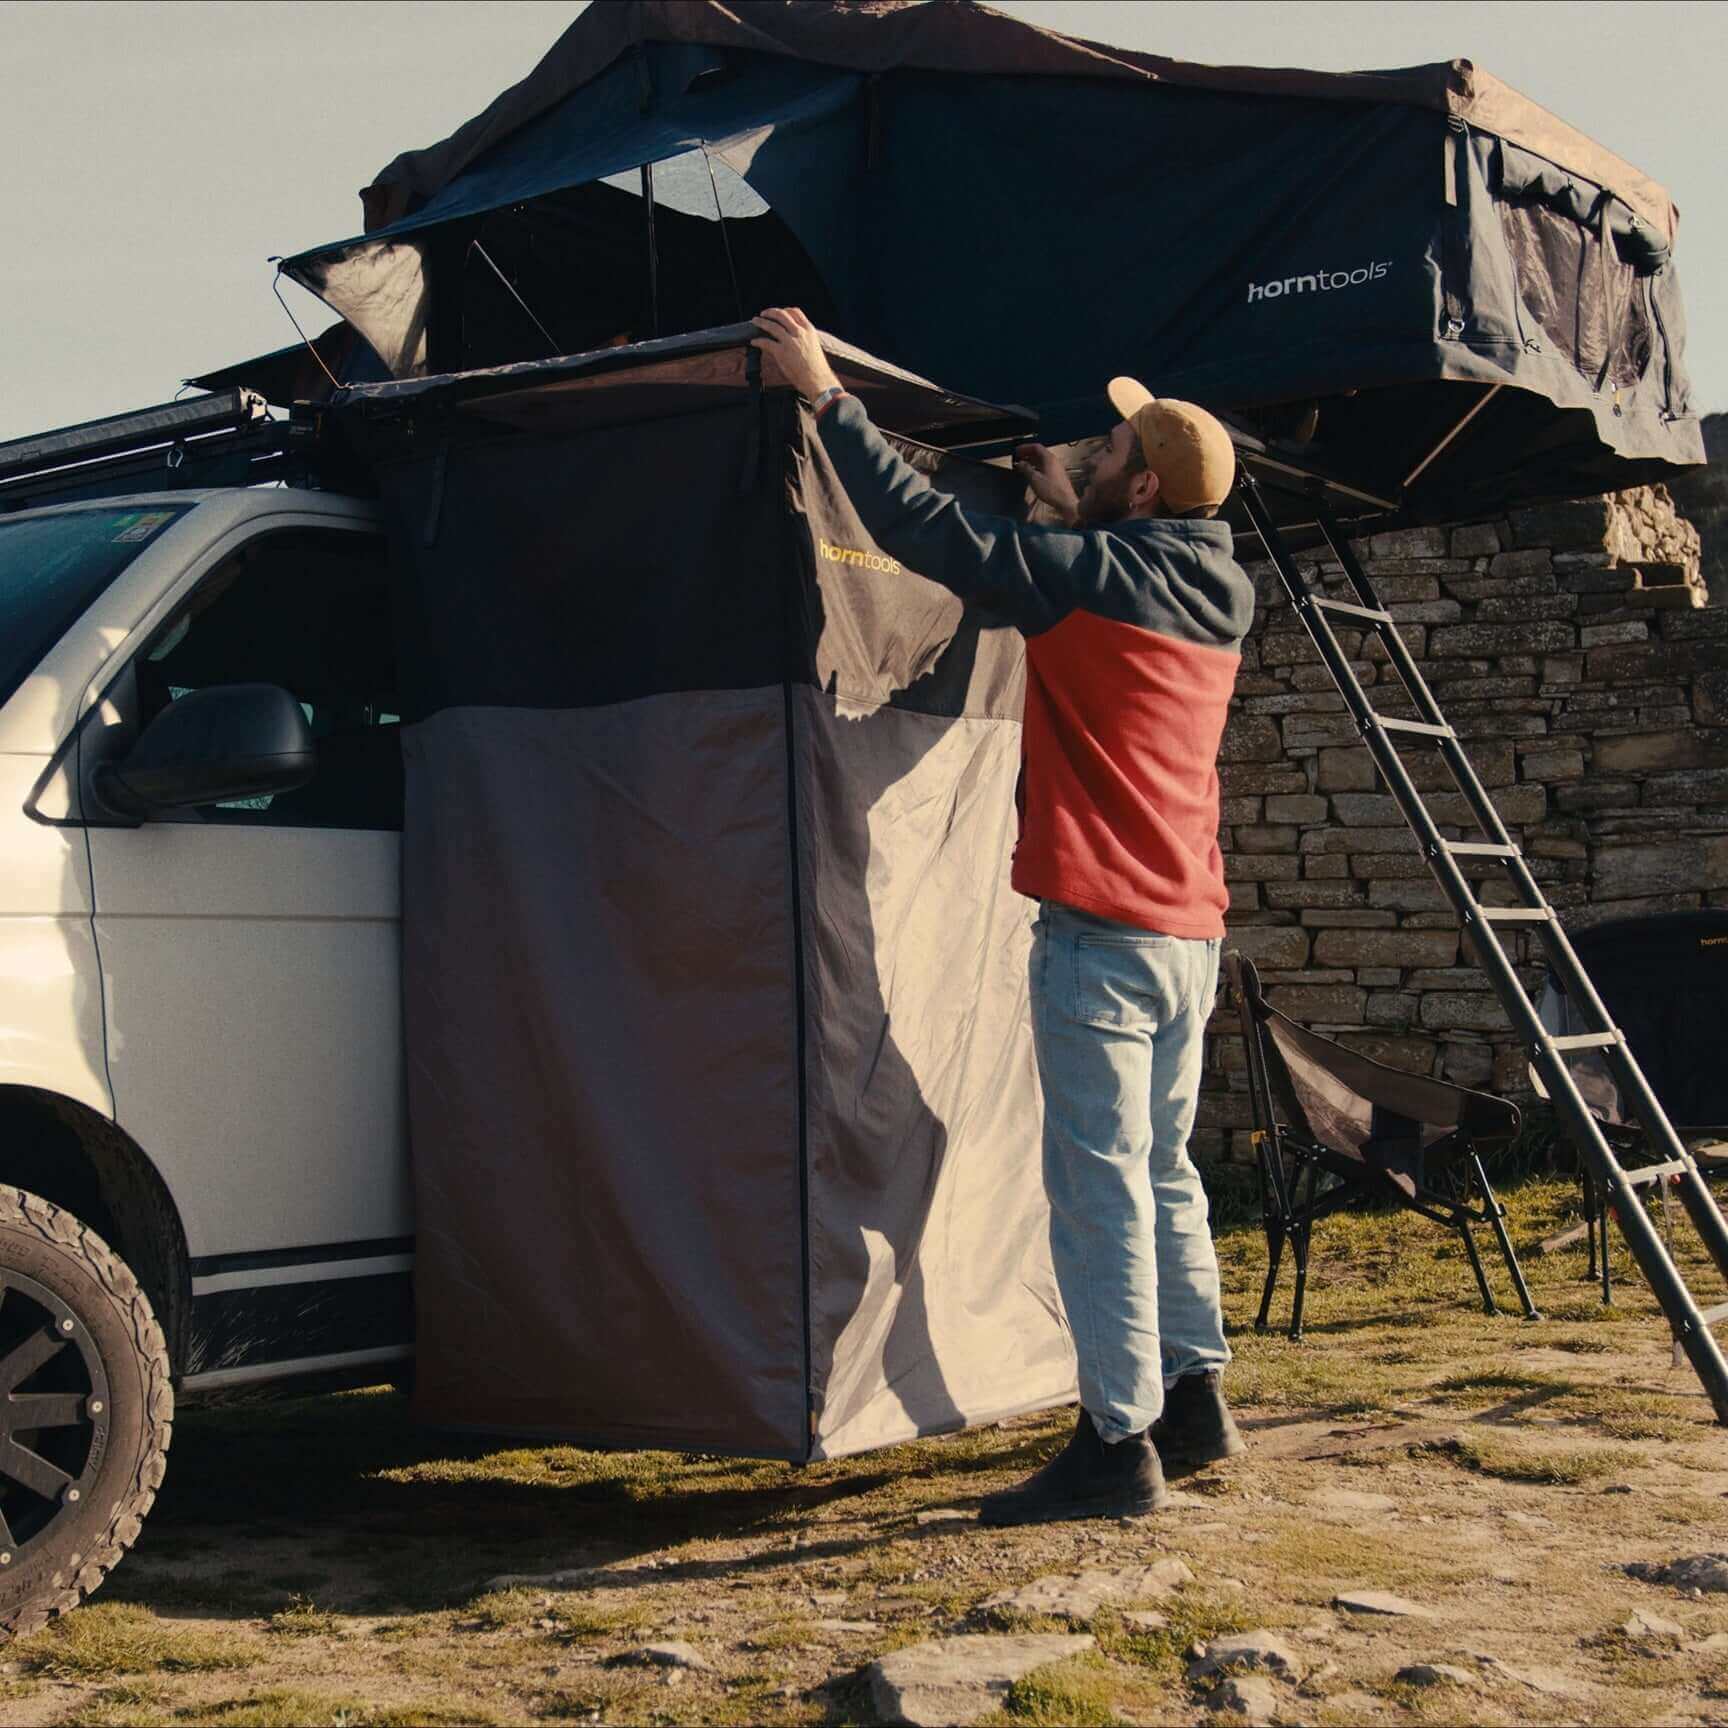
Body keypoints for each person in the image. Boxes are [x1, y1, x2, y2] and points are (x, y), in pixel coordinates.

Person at [753, 306, 1254, 1525]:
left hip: (1104, 938)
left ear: (1139, 490)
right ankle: (1197, 1402)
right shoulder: (1214, 585)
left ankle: (1116, 1444)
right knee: (1164, 1174)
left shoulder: (1090, 577)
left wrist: (828, 399)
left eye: (1110, 446)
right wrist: (1066, 513)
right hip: (1190, 933)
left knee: (1099, 1194)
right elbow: (1103, 579)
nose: (1088, 444)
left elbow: (927, 533)